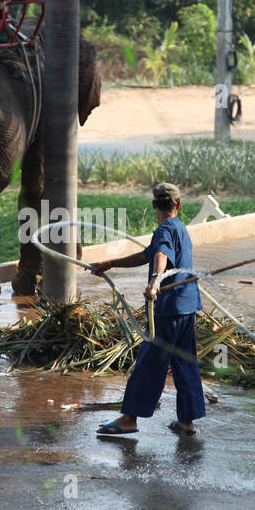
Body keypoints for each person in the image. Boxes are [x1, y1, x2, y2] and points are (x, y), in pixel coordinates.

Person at [90, 182, 205, 436]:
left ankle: (129, 418)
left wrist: (155, 282)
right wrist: (109, 263)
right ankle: (186, 421)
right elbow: (147, 255)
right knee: (184, 363)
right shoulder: (179, 228)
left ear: (154, 205)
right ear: (179, 205)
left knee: (149, 362)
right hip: (186, 308)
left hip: (168, 310)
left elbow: (161, 255)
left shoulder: (164, 229)